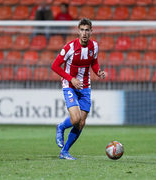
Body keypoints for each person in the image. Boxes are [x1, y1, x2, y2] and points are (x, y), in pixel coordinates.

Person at [51, 18, 106, 160]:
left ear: (91, 31)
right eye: (82, 30)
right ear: (78, 31)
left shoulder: (94, 46)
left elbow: (93, 62)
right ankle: (61, 127)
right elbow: (55, 66)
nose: (84, 33)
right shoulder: (70, 47)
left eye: (87, 30)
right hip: (69, 85)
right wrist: (71, 79)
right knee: (75, 119)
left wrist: (98, 71)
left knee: (81, 123)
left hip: (85, 87)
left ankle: (65, 151)